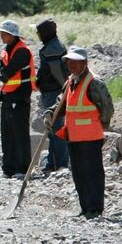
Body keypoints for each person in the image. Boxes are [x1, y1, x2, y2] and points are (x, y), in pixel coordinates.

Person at [56, 46, 114, 218]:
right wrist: (50, 113)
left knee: (92, 173)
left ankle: (95, 209)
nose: (71, 65)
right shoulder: (70, 81)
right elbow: (61, 103)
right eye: (69, 61)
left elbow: (107, 108)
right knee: (79, 173)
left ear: (84, 62)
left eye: (75, 61)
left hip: (90, 137)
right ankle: (85, 208)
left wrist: (101, 124)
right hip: (73, 136)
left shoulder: (94, 82)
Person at [0, 20, 35, 178]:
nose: (1, 36)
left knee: (19, 133)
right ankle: (8, 168)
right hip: (7, 96)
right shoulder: (7, 50)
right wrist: (1, 73)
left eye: (4, 33)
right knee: (7, 134)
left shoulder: (22, 51)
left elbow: (7, 72)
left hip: (19, 97)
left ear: (12, 35)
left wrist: (2, 73)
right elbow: (0, 70)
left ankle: (22, 169)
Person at [35, 18, 69, 174]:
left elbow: (57, 74)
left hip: (53, 92)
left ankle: (58, 163)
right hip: (53, 91)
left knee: (56, 128)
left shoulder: (52, 48)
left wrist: (65, 91)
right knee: (54, 129)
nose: (37, 35)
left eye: (39, 32)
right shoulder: (54, 45)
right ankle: (54, 161)